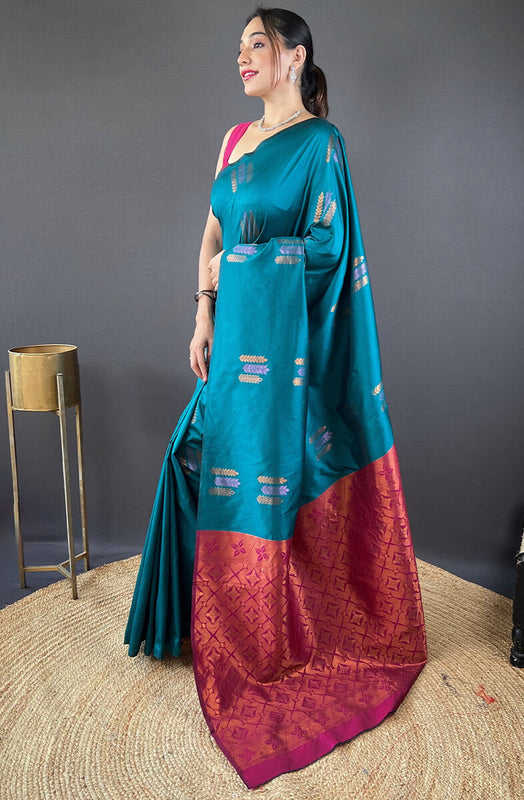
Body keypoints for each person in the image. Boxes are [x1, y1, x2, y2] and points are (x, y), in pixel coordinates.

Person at [124, 5, 427, 789]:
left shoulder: (322, 144)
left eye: (255, 44)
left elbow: (328, 250)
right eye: (238, 47)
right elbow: (213, 232)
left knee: (258, 480)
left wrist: (243, 270)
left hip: (287, 353)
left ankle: (266, 629)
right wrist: (202, 309)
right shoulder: (234, 140)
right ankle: (198, 621)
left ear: (294, 57)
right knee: (192, 459)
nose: (241, 57)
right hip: (231, 338)